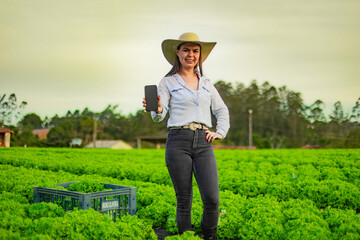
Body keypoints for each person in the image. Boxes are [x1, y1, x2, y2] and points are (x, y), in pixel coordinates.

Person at [143, 32, 230, 240]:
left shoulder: (207, 83)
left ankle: (209, 236)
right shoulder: (167, 82)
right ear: (178, 52)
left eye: (195, 50)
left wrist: (220, 132)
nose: (191, 54)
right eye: (186, 50)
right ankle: (187, 237)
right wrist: (157, 108)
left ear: (199, 55)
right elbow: (159, 117)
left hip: (203, 142)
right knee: (184, 199)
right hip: (178, 141)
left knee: (212, 198)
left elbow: (222, 110)